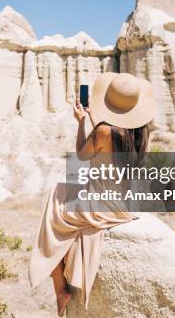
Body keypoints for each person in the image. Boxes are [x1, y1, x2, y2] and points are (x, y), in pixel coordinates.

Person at [28, 72, 155, 316]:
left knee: (55, 201)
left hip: (100, 205)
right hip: (122, 203)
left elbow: (82, 154)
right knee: (63, 191)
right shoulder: (141, 131)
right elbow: (111, 143)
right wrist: (94, 121)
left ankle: (59, 288)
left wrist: (80, 122)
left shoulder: (104, 131)